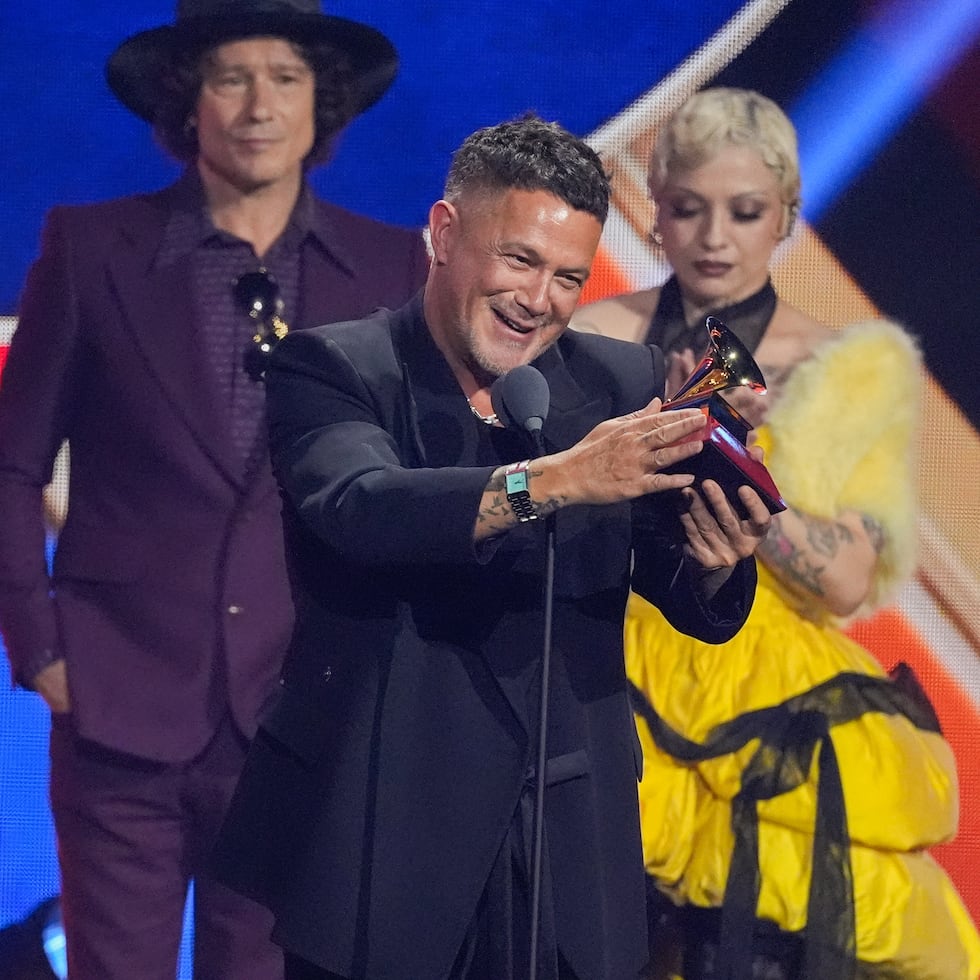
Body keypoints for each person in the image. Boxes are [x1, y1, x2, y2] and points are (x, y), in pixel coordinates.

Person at [211, 114, 774, 980]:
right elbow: (361, 507)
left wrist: (713, 558)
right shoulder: (336, 369)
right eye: (519, 260)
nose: (539, 299)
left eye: (568, 277)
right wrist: (552, 480)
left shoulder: (612, 380)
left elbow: (657, 566)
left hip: (563, 841)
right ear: (444, 234)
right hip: (385, 833)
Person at [0, 1, 429, 977]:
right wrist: (40, 649)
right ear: (184, 100)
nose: (258, 104)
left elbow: (406, 492)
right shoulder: (92, 247)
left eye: (284, 77)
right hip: (116, 704)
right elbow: (12, 464)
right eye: (230, 77)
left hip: (297, 713)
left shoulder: (388, 267)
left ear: (323, 99)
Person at [573, 87, 980, 979]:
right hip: (606, 659)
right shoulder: (594, 336)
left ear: (786, 219)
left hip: (766, 701)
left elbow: (844, 580)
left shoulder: (851, 372)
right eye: (690, 209)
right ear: (656, 207)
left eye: (745, 212)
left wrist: (741, 456)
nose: (716, 237)